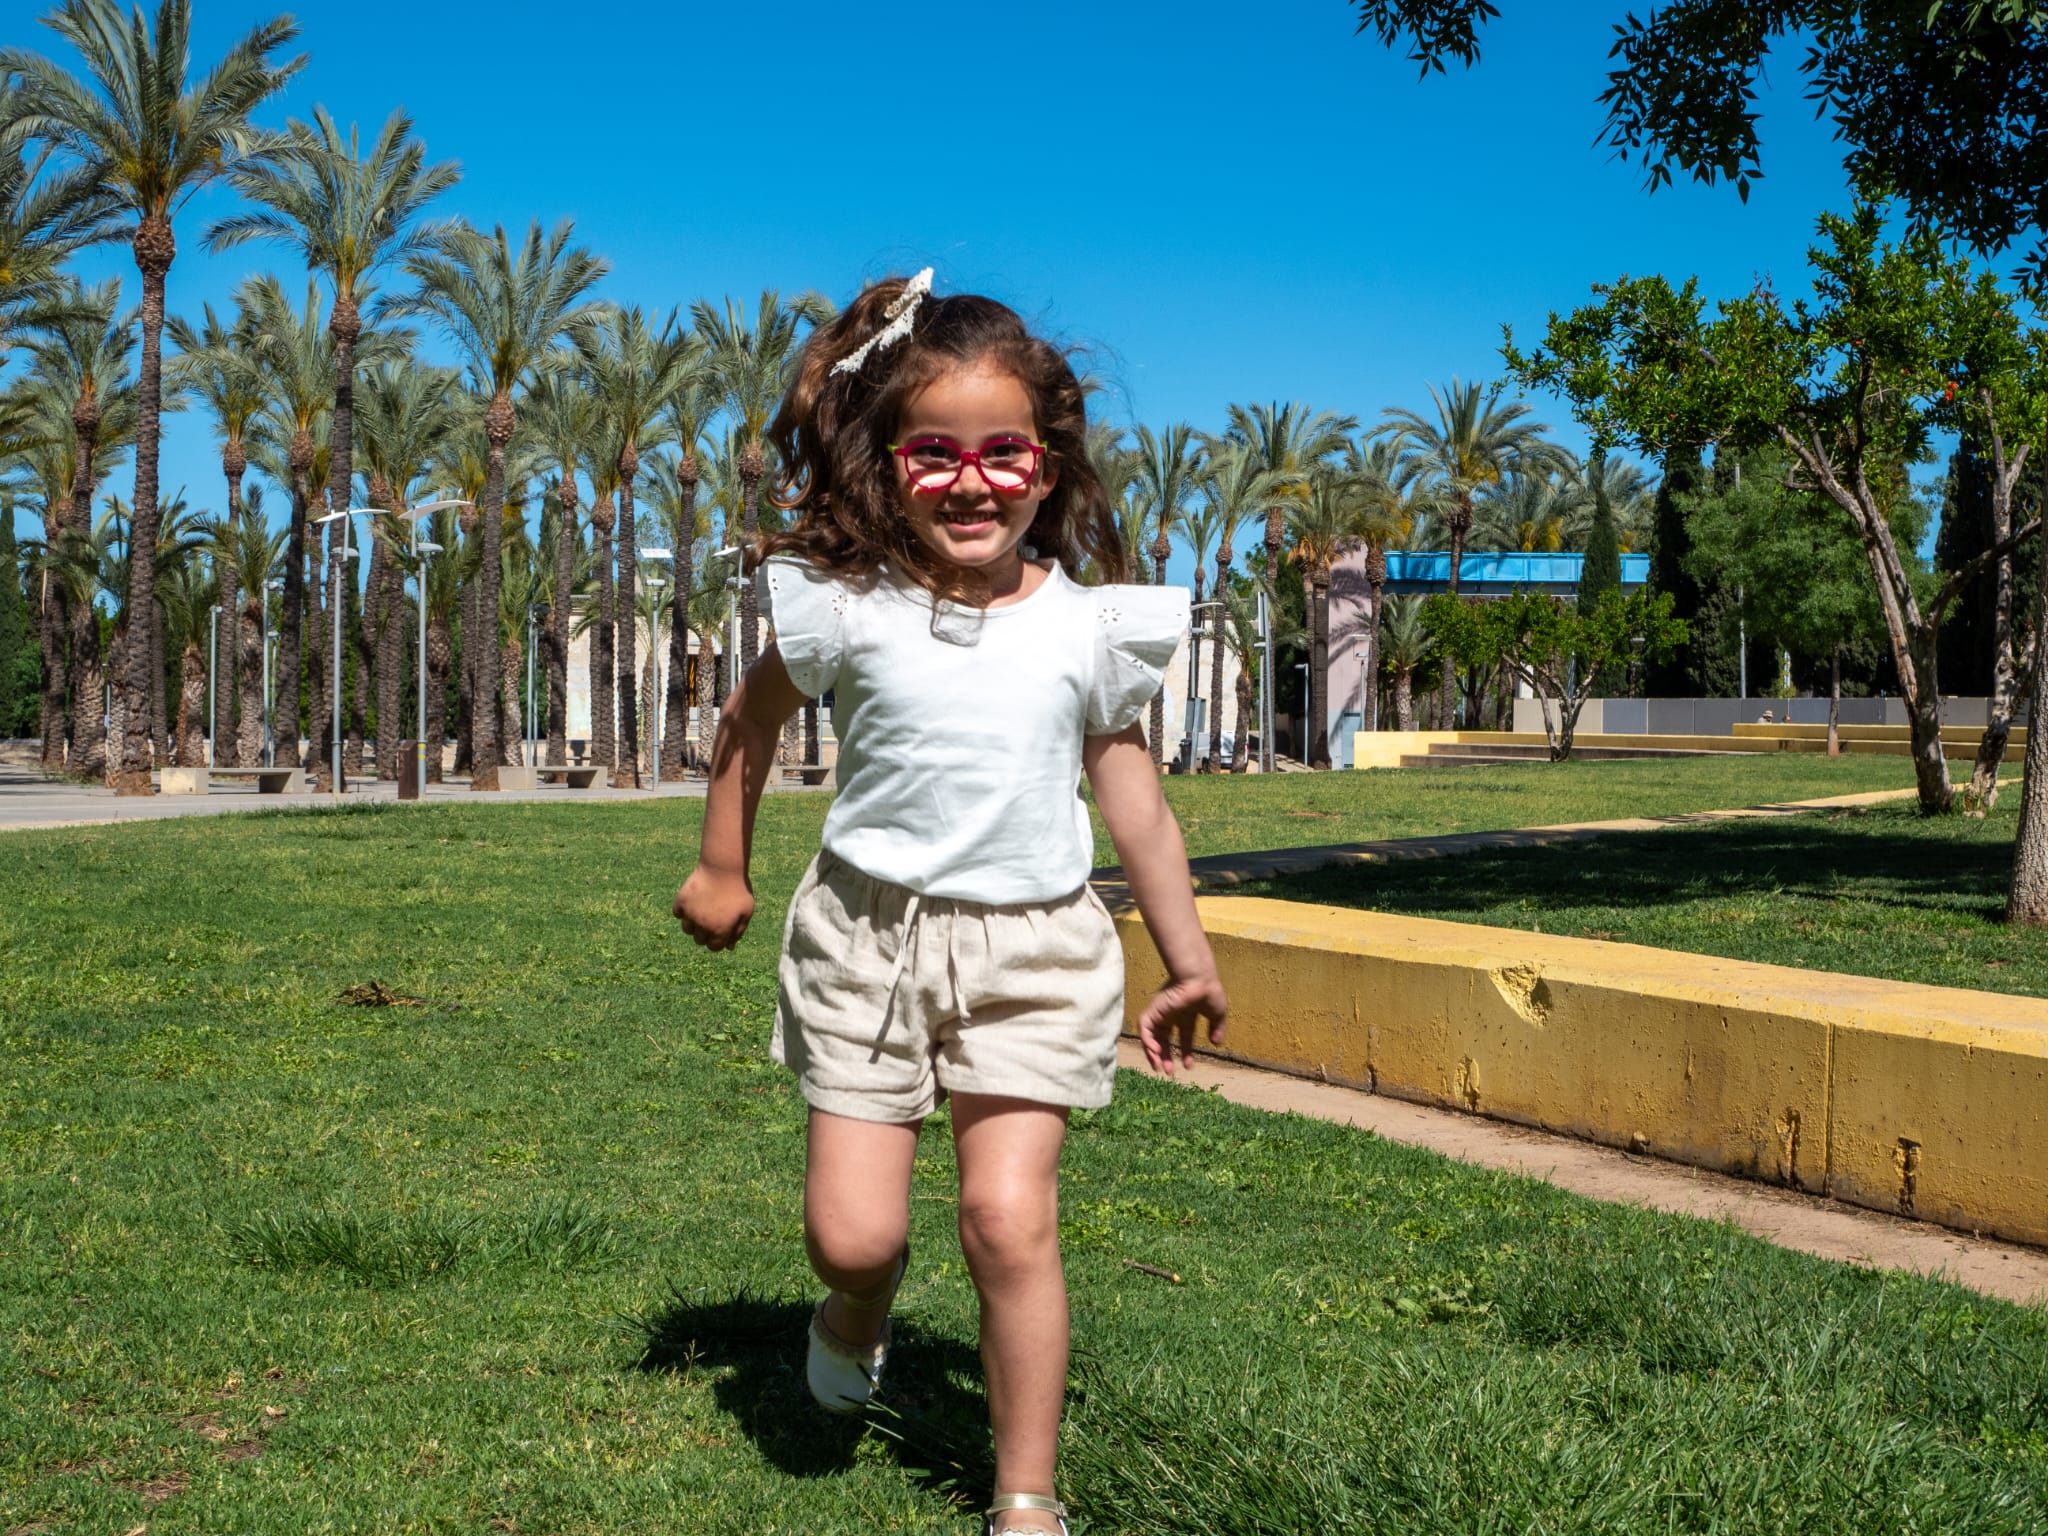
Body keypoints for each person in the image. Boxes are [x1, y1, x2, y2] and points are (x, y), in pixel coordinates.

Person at [673, 270, 1228, 1536]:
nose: (971, 482)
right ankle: (853, 1314)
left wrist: (1183, 956)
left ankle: (1024, 1493)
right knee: (855, 1236)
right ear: (885, 457)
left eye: (1001, 452)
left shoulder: (1091, 629)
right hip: (865, 942)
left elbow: (1136, 806)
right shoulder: (844, 609)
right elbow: (747, 729)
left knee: (1004, 1217)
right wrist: (721, 864)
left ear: (1045, 464)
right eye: (935, 452)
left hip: (1034, 950)